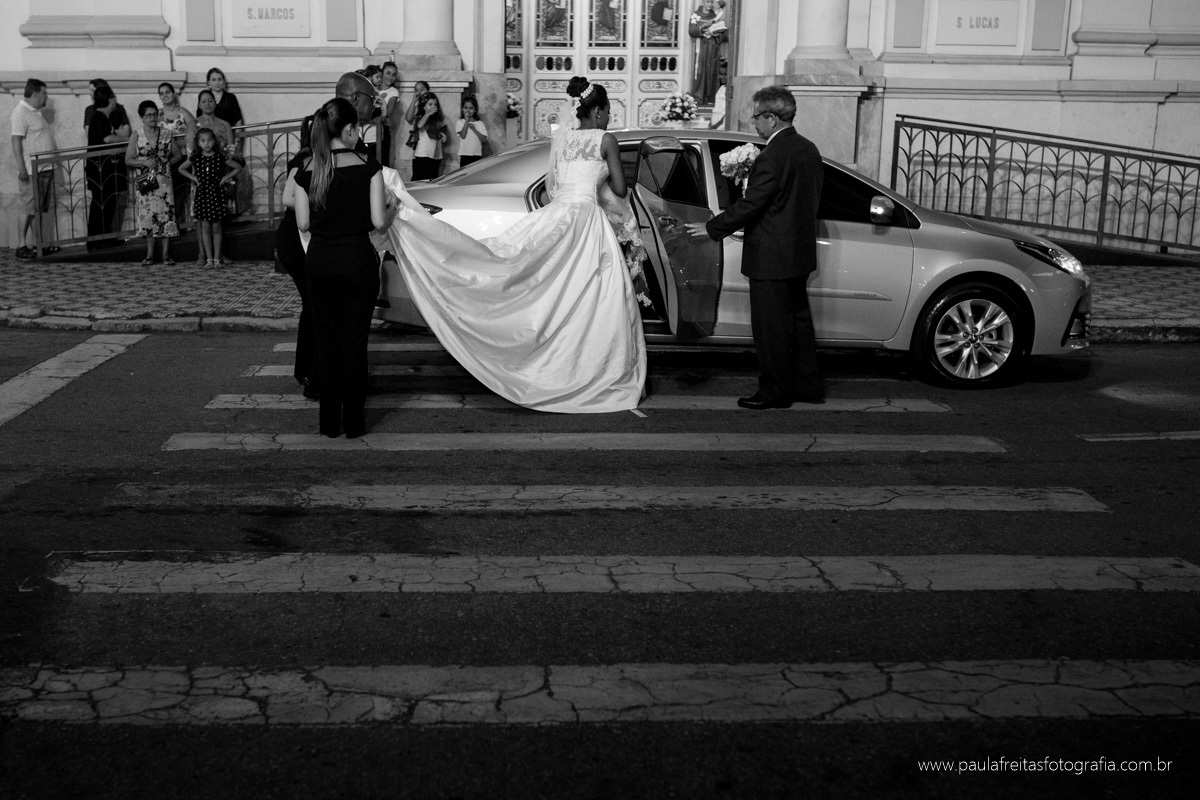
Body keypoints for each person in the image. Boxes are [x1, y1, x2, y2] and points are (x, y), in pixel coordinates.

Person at [383, 76, 646, 413]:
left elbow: (554, 189)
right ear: (597, 112)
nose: (609, 118)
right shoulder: (605, 139)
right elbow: (621, 191)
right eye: (608, 112)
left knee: (536, 279)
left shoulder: (561, 140)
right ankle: (586, 367)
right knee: (591, 295)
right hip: (586, 222)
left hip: (558, 216)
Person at [685, 86, 825, 408]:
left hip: (771, 256)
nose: (754, 125)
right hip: (798, 252)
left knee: (771, 329)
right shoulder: (809, 149)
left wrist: (711, 228)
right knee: (798, 322)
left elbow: (752, 206)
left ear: (772, 118)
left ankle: (775, 391)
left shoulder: (772, 156)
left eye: (756, 118)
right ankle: (808, 386)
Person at [293, 98, 389, 438]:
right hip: (357, 261)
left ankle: (328, 423)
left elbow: (303, 223)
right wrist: (390, 207)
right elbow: (378, 220)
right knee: (354, 343)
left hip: (320, 262)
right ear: (349, 130)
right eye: (357, 129)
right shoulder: (368, 164)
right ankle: (354, 424)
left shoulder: (308, 169)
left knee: (327, 342)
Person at [277, 117, 319, 400]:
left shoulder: (316, 156)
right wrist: (319, 199)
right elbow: (287, 198)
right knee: (313, 304)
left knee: (313, 304)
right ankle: (308, 372)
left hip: (302, 238)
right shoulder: (305, 157)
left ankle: (307, 370)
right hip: (295, 237)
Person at [126, 99, 181, 265]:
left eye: (154, 114)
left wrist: (166, 165)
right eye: (148, 115)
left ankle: (165, 254)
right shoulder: (137, 135)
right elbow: (128, 159)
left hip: (164, 182)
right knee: (148, 217)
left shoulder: (166, 134)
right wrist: (143, 162)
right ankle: (149, 254)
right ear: (142, 117)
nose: (152, 118)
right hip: (146, 182)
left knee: (165, 217)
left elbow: (178, 154)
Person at [178, 128, 241, 268]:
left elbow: (237, 167)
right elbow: (181, 168)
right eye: (203, 141)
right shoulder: (196, 157)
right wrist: (193, 178)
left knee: (217, 227)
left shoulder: (220, 157)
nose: (206, 143)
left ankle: (217, 258)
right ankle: (209, 258)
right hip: (202, 195)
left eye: (209, 140)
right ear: (198, 143)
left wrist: (225, 178)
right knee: (205, 228)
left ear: (214, 142)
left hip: (216, 194)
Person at [10, 78, 60, 259]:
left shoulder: (35, 112)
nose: (46, 97)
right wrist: (21, 166)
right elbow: (15, 140)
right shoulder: (20, 112)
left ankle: (39, 244)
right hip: (31, 170)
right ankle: (21, 244)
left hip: (44, 168)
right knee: (28, 207)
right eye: (44, 93)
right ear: (36, 94)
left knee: (38, 208)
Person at [84, 84, 131, 250]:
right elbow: (107, 139)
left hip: (106, 168)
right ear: (110, 100)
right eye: (114, 98)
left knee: (108, 202)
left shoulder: (104, 117)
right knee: (101, 203)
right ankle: (96, 239)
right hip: (99, 169)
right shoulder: (98, 117)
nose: (116, 101)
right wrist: (126, 140)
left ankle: (106, 235)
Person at [199, 68, 249, 216]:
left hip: (228, 144)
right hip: (208, 145)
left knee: (238, 176)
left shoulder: (230, 98)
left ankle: (238, 211)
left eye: (219, 79)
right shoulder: (205, 98)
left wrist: (237, 145)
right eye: (213, 79)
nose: (217, 82)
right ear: (208, 82)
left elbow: (238, 123)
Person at [158, 82, 197, 226]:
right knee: (168, 192)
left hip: (183, 157)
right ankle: (169, 223)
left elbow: (192, 127)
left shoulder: (183, 112)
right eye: (161, 93)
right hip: (167, 158)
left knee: (181, 193)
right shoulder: (158, 115)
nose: (165, 95)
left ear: (173, 94)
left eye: (167, 92)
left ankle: (180, 223)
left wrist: (185, 141)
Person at [689, 0, 723, 105]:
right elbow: (692, 31)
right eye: (708, 2)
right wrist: (702, 29)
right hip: (701, 47)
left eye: (712, 2)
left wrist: (716, 33)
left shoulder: (715, 16)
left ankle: (711, 98)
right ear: (703, 2)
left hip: (712, 47)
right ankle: (699, 98)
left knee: (712, 70)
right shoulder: (696, 15)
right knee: (700, 71)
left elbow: (723, 33)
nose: (710, 4)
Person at [410, 93, 449, 180]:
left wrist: (443, 135)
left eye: (435, 104)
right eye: (430, 104)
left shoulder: (438, 120)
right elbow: (420, 125)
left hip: (434, 154)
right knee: (421, 179)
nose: (433, 107)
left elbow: (442, 130)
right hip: (422, 154)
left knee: (432, 178)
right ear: (424, 106)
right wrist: (427, 114)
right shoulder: (421, 117)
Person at [455, 95, 489, 168]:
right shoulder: (460, 122)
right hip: (464, 153)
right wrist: (467, 121)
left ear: (475, 109)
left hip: (476, 154)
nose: (468, 110)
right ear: (462, 109)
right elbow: (463, 136)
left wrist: (475, 130)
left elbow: (484, 140)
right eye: (466, 108)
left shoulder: (480, 123)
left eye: (471, 108)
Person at [378, 62, 401, 168]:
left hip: (382, 128)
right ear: (382, 73)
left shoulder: (393, 92)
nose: (390, 77)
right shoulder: (373, 88)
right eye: (388, 73)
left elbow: (388, 112)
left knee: (382, 161)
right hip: (367, 129)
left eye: (393, 74)